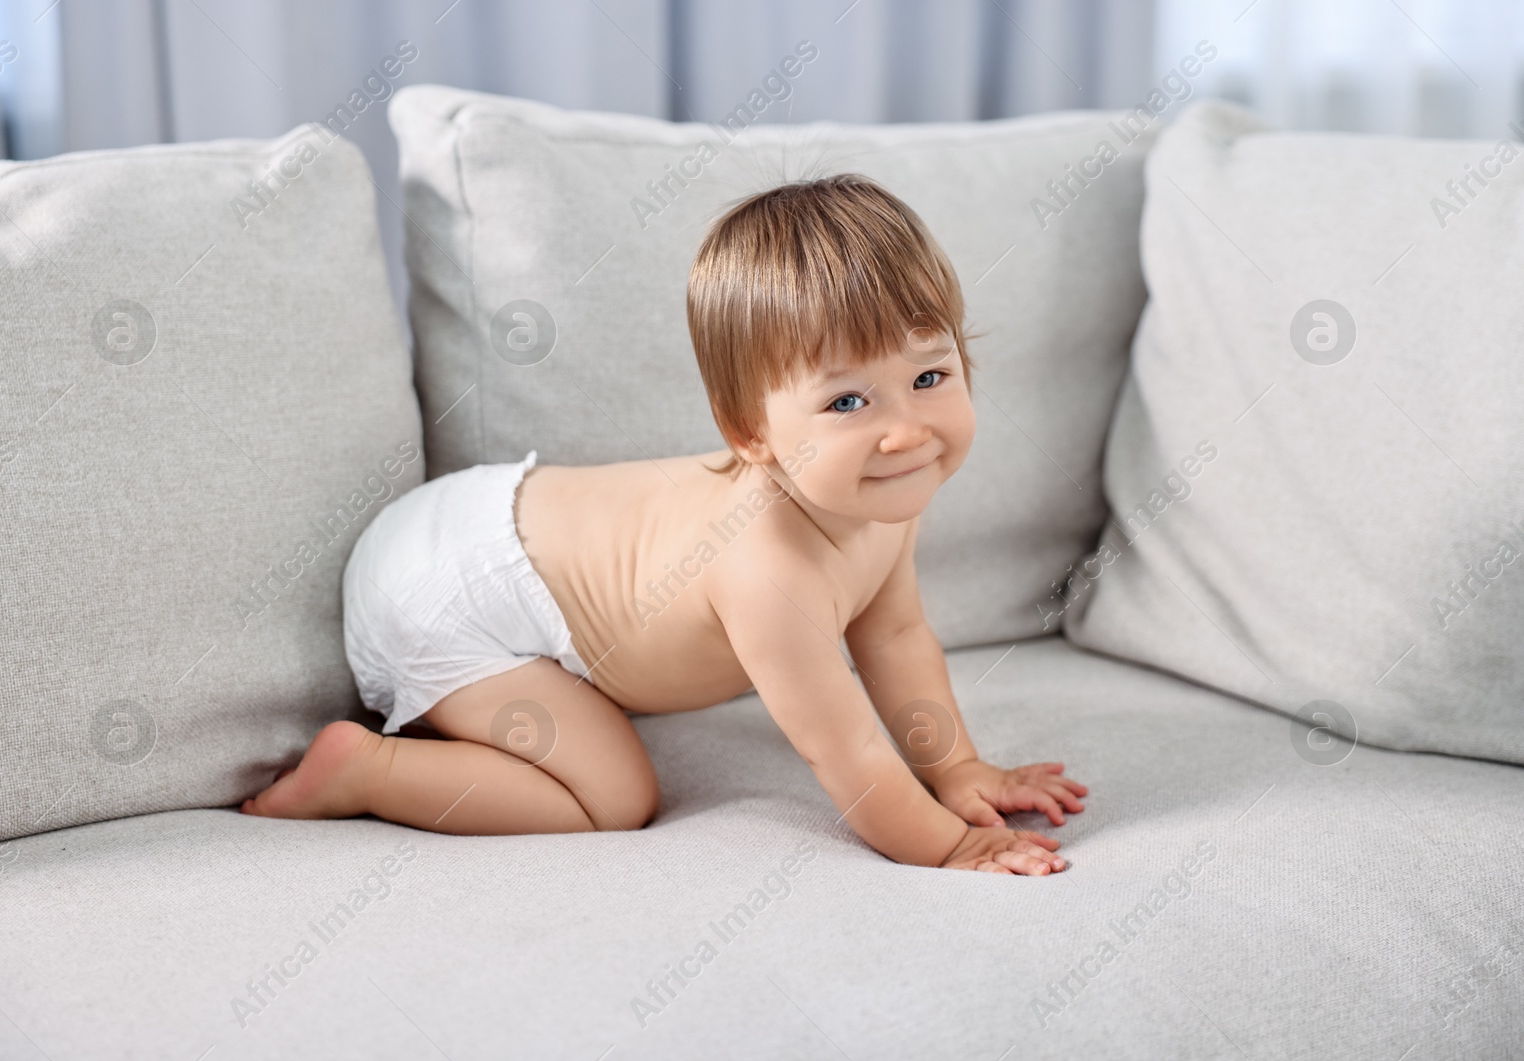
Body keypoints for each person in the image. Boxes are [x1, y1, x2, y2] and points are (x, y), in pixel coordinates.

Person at [242, 174, 1086, 874]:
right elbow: (849, 756)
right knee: (614, 798)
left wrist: (958, 767)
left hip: (497, 523)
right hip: (441, 591)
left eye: (931, 376)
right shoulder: (766, 569)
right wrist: (955, 846)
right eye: (847, 400)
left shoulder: (873, 493)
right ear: (751, 432)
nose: (904, 430)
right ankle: (365, 769)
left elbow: (894, 632)